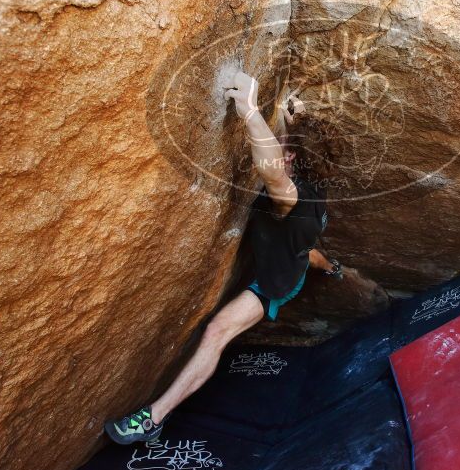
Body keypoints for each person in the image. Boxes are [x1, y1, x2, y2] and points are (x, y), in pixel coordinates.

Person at [104, 71, 341, 444]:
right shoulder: (317, 191)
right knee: (304, 254)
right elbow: (305, 241)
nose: (276, 140)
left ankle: (153, 419)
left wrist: (249, 110)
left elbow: (274, 174)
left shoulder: (291, 198)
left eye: (282, 142)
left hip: (274, 284)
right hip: (292, 259)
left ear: (290, 155)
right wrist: (290, 115)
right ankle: (332, 268)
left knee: (217, 331)